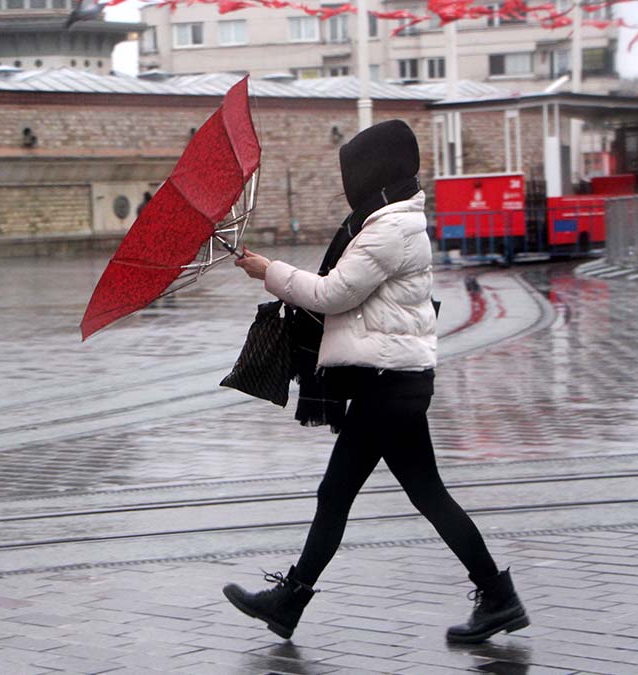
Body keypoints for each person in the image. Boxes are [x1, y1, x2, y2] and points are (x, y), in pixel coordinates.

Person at [222, 120, 529, 644]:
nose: (348, 185)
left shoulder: (389, 230)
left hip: (386, 386)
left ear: (373, 174)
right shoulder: (390, 222)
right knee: (423, 494)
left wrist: (270, 270)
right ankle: (497, 597)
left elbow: (332, 295)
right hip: (394, 383)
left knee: (337, 493)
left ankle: (291, 599)